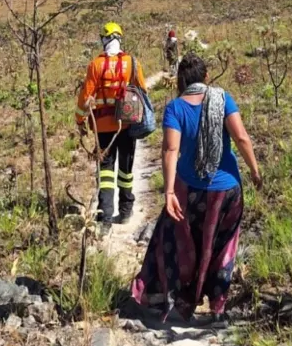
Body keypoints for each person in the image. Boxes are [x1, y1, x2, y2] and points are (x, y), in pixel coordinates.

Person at [131, 52, 261, 322]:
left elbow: (170, 149)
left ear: (181, 81)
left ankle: (175, 298)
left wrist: (168, 193)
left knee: (177, 241)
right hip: (227, 190)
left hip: (189, 190)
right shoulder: (223, 99)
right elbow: (241, 137)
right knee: (223, 246)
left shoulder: (176, 108)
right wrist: (255, 171)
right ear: (206, 77)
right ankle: (217, 304)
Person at [75, 22, 148, 228]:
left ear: (105, 39)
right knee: (126, 170)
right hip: (126, 126)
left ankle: (105, 218)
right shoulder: (132, 62)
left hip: (102, 128)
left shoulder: (95, 65)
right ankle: (125, 211)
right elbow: (143, 90)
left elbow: (84, 97)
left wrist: (79, 120)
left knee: (105, 171)